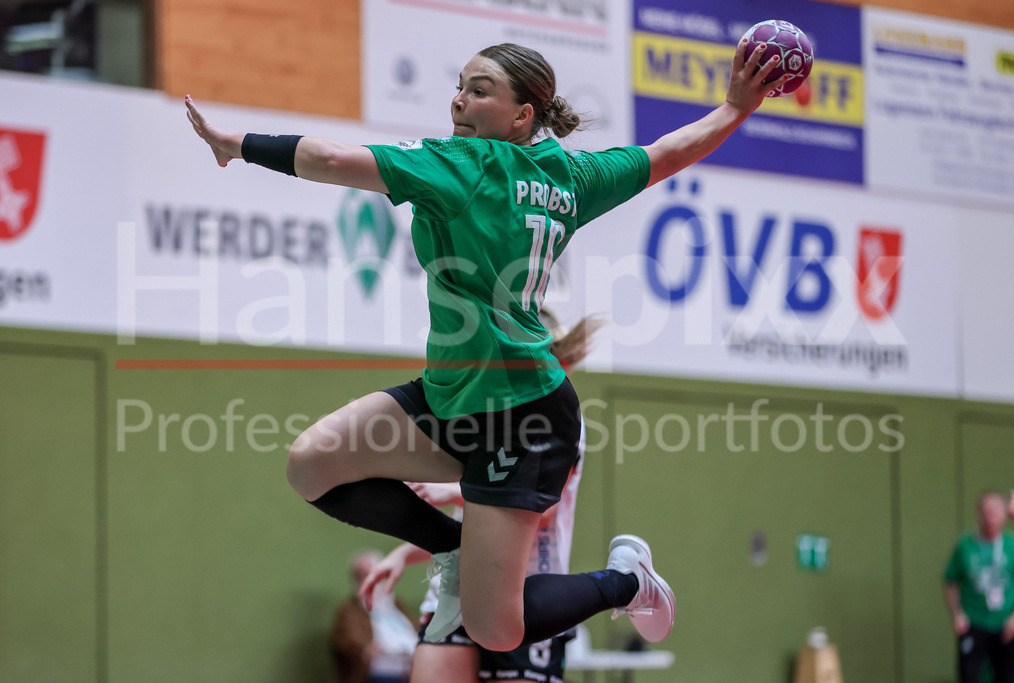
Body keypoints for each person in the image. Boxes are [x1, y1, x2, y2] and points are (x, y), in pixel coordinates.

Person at [185, 39, 785, 653]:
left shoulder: (466, 164)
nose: (459, 99)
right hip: (453, 397)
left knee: (496, 628)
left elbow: (335, 159)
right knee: (312, 463)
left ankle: (624, 583)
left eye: (480, 90)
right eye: (460, 85)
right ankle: (450, 549)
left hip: (523, 413)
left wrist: (237, 146)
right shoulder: (571, 176)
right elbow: (663, 155)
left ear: (523, 114)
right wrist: (735, 108)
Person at [361, 310, 596, 683]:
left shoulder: (560, 421)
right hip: (453, 594)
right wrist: (402, 555)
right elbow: (469, 529)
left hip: (523, 599)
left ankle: (627, 583)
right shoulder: (480, 413)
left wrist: (455, 491)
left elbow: (542, 512)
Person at [943, 491, 1014, 683]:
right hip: (974, 622)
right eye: (987, 512)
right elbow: (950, 581)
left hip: (1006, 624)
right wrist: (957, 613)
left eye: (996, 512)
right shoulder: (965, 545)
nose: (991, 518)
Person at [330, 550, 419, 683]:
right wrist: (366, 649)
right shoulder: (350, 611)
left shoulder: (395, 604)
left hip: (411, 665)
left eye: (376, 574)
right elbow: (347, 641)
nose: (372, 580)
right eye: (365, 575)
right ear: (356, 579)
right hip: (381, 671)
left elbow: (416, 628)